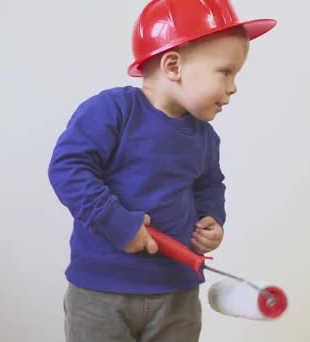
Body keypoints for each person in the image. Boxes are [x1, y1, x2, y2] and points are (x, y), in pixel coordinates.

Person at [48, 0, 276, 341]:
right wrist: (117, 222)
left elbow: (209, 185)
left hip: (177, 293)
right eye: (225, 71)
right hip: (101, 292)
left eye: (236, 75)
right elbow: (68, 168)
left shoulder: (204, 137)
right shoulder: (112, 111)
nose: (233, 87)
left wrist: (211, 218)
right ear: (173, 65)